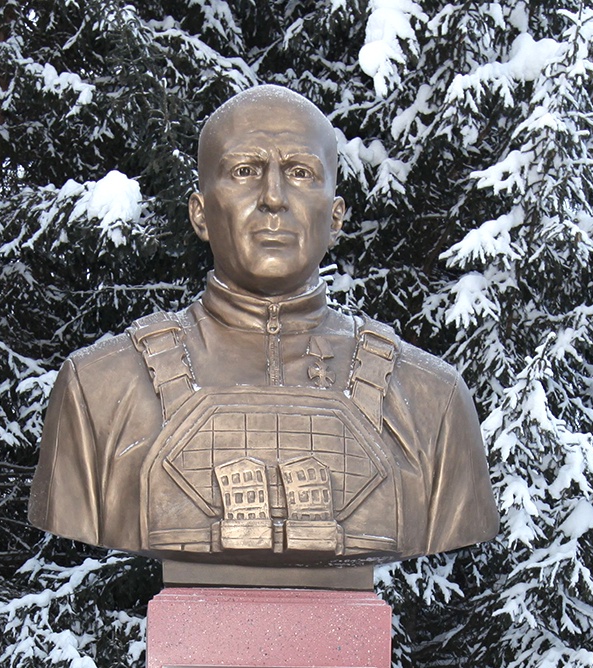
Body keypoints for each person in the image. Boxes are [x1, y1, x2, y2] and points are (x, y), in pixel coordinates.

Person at [28, 84, 496, 584]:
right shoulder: (99, 388)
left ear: (335, 216)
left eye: (300, 173)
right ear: (201, 214)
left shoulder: (432, 400)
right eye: (245, 171)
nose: (274, 198)